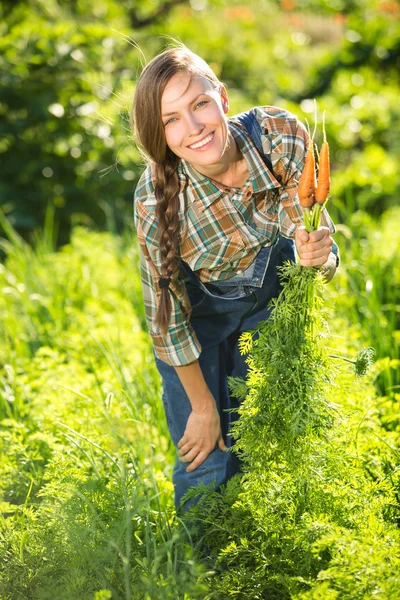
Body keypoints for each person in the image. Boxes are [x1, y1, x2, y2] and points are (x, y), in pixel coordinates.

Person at [131, 44, 339, 514]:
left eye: (199, 104)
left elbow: (312, 241)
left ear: (222, 98)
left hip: (269, 306)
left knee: (259, 441)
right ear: (161, 136)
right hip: (196, 323)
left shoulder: (280, 135)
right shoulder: (157, 199)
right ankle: (200, 575)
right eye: (171, 120)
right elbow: (167, 321)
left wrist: (321, 258)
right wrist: (203, 408)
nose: (194, 128)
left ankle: (258, 554)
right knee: (206, 455)